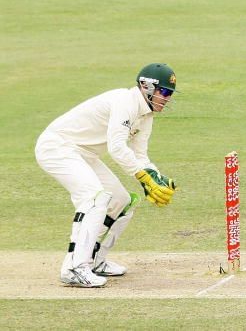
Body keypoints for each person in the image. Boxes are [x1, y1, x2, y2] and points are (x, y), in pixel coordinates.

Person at [35, 63, 178, 287]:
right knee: (95, 197)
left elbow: (140, 155)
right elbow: (117, 147)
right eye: (164, 92)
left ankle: (94, 261)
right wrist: (143, 177)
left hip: (84, 153)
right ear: (146, 86)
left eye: (169, 94)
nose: (167, 98)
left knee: (121, 201)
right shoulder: (125, 102)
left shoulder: (146, 115)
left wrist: (156, 178)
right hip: (57, 147)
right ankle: (74, 268)